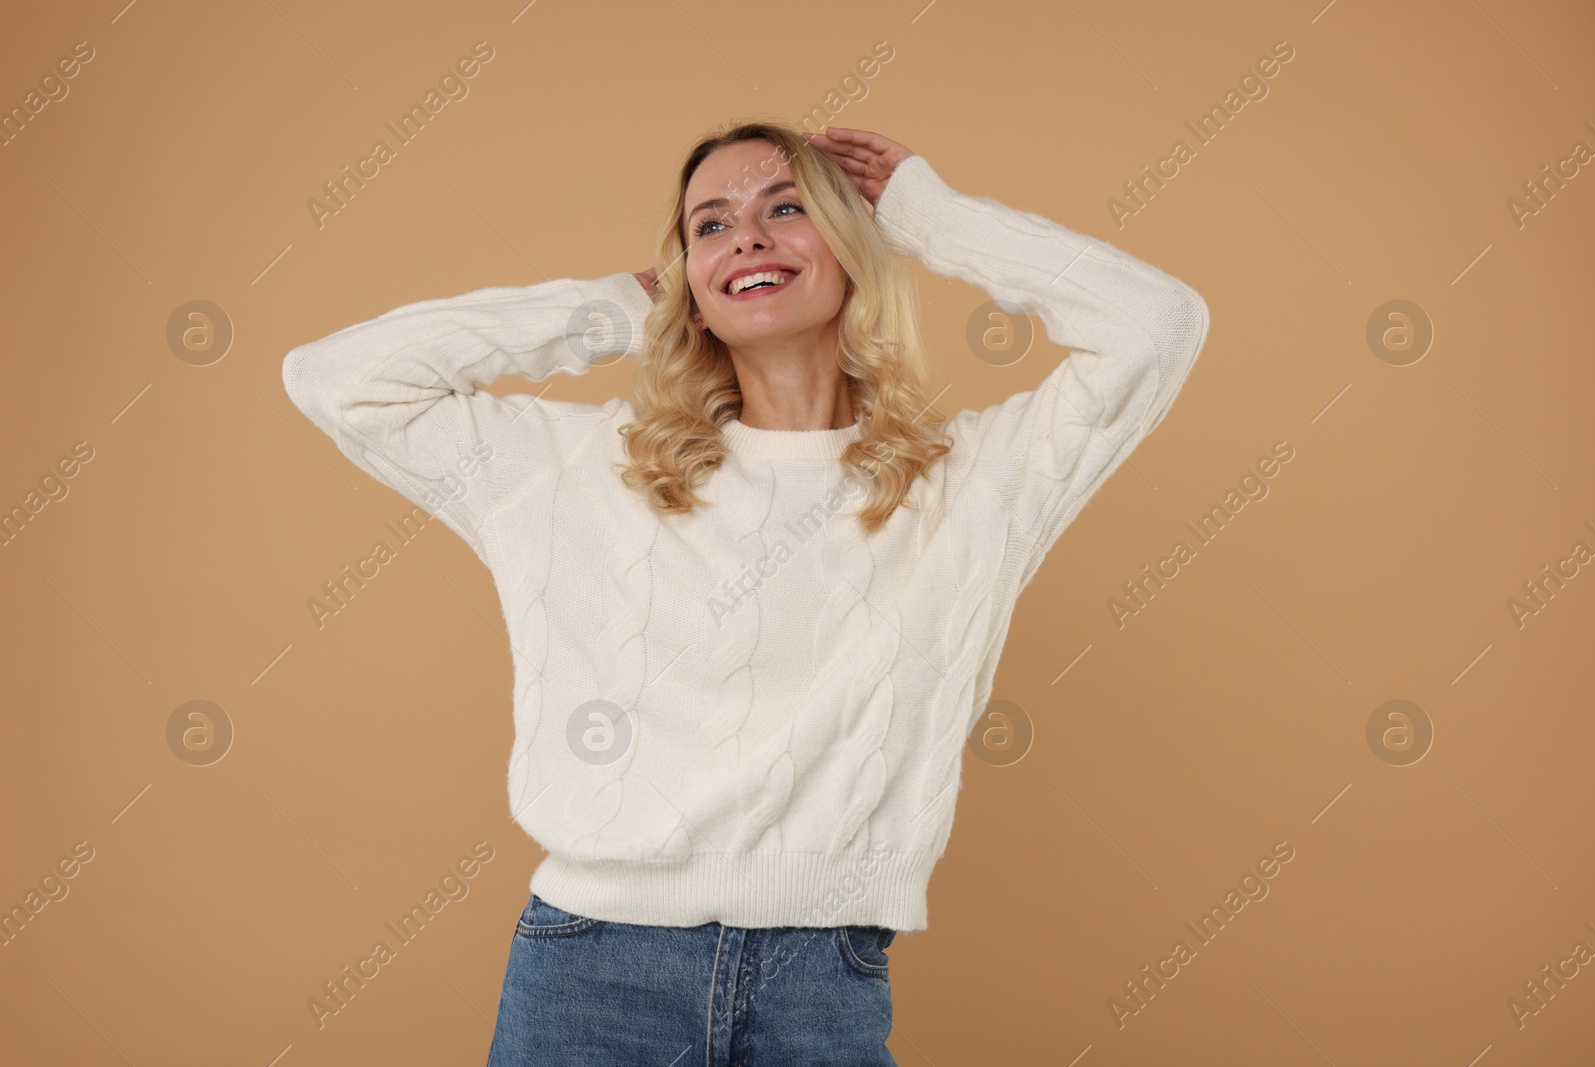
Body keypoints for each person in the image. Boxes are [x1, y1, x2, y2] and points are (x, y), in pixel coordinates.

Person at [281, 120, 1210, 1065]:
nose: (749, 238)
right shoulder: (580, 469)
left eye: (787, 208)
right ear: (686, 276)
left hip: (823, 981)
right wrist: (614, 307)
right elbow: (336, 379)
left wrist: (932, 214)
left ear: (856, 247)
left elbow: (1157, 325)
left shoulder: (967, 483)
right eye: (711, 226)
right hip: (590, 978)